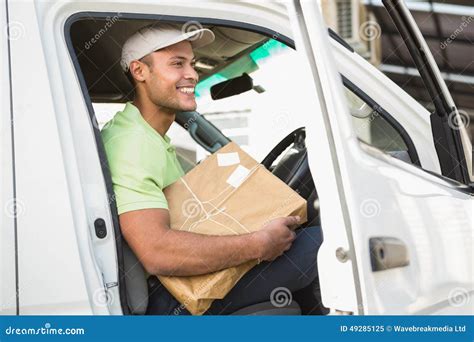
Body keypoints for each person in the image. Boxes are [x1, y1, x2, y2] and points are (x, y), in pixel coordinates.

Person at [101, 23, 323, 315]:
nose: (192, 74)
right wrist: (259, 243)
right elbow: (157, 251)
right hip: (173, 300)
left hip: (180, 281)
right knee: (331, 241)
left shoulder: (147, 135)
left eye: (191, 64)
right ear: (140, 71)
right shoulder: (131, 143)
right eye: (177, 64)